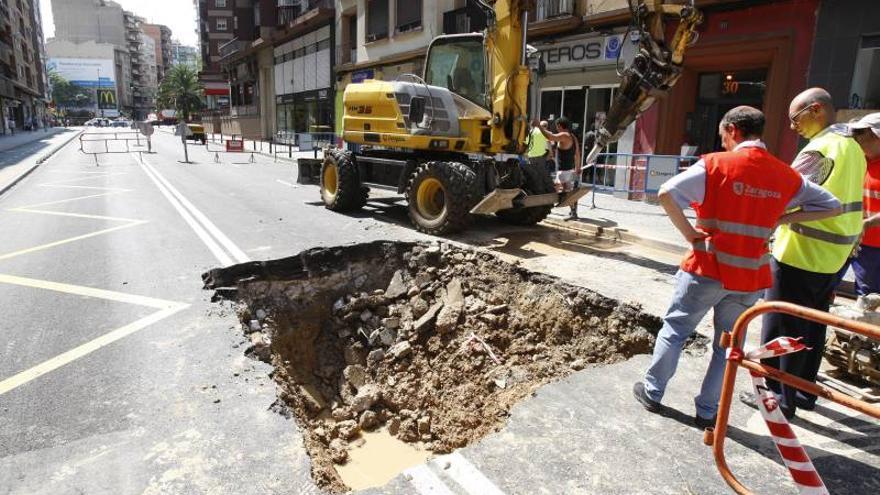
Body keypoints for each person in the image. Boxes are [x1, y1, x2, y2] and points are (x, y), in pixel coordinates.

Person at [632, 106, 842, 428]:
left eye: (722, 137)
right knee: (726, 346)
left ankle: (653, 392)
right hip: (748, 279)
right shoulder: (785, 175)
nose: (723, 142)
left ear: (732, 130)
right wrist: (784, 217)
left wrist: (690, 234)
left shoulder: (715, 165)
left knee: (675, 332)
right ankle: (707, 410)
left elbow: (665, 193)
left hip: (706, 270)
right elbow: (832, 205)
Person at [741, 88, 867, 419]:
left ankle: (777, 396)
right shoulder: (851, 147)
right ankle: (804, 390)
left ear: (816, 110)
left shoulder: (820, 149)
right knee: (813, 325)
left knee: (781, 324)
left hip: (800, 252)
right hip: (832, 257)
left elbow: (786, 194)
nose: (793, 127)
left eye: (796, 119)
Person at [843, 113, 880, 295]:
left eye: (860, 133)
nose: (856, 139)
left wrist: (866, 224)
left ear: (875, 136)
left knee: (868, 296)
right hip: (847, 237)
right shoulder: (858, 160)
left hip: (874, 245)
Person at [536, 117, 582, 219]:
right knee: (569, 191)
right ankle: (573, 212)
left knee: (556, 189)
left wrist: (539, 126)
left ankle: (543, 208)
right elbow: (577, 154)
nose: (556, 128)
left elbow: (551, 137)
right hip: (570, 170)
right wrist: (577, 167)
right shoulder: (573, 137)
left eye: (557, 126)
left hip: (564, 171)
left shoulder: (564, 135)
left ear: (560, 126)